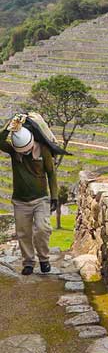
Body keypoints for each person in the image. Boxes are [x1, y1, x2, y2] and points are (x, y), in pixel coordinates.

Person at [1, 114, 58, 275]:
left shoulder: (43, 150)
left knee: (43, 228)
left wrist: (54, 196)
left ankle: (44, 259)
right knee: (23, 233)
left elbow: (52, 174)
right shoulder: (13, 150)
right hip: (20, 201)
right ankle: (28, 262)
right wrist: (9, 125)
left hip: (41, 198)